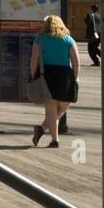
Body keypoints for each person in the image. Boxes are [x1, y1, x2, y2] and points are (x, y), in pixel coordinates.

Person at [30, 15, 79, 148]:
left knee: (51, 109)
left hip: (47, 74)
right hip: (65, 76)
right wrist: (75, 77)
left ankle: (47, 133)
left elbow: (34, 59)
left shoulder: (40, 39)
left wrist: (33, 75)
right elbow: (76, 62)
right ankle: (52, 137)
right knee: (63, 106)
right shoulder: (69, 40)